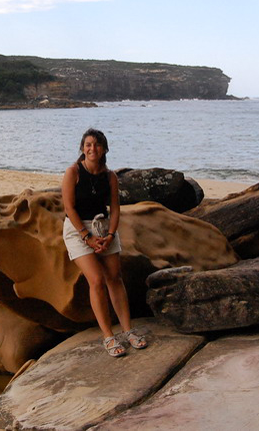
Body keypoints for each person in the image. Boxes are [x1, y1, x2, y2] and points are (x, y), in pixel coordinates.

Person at [61, 128, 148, 357]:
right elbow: (69, 208)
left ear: (104, 149)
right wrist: (86, 237)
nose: (92, 149)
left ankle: (128, 330)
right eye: (88, 145)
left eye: (97, 145)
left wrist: (110, 235)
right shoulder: (73, 172)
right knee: (97, 280)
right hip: (77, 229)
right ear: (82, 148)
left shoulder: (110, 176)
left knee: (114, 278)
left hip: (103, 226)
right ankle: (108, 336)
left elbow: (116, 207)